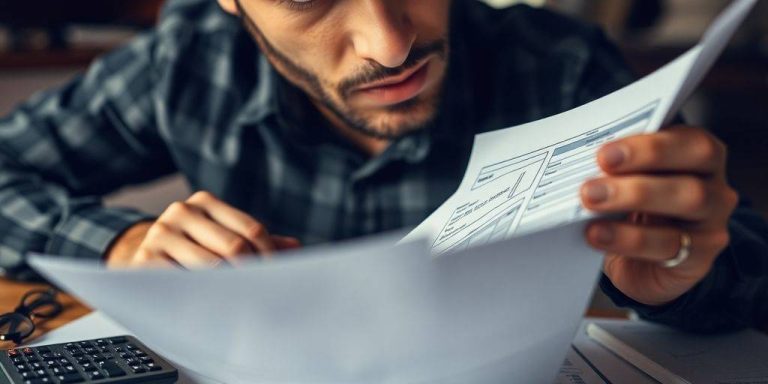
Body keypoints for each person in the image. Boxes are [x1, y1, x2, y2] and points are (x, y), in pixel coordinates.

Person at [0, 0, 766, 333]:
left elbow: (744, 264)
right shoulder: (189, 61)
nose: (390, 44)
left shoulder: (561, 68)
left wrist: (684, 271)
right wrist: (120, 243)